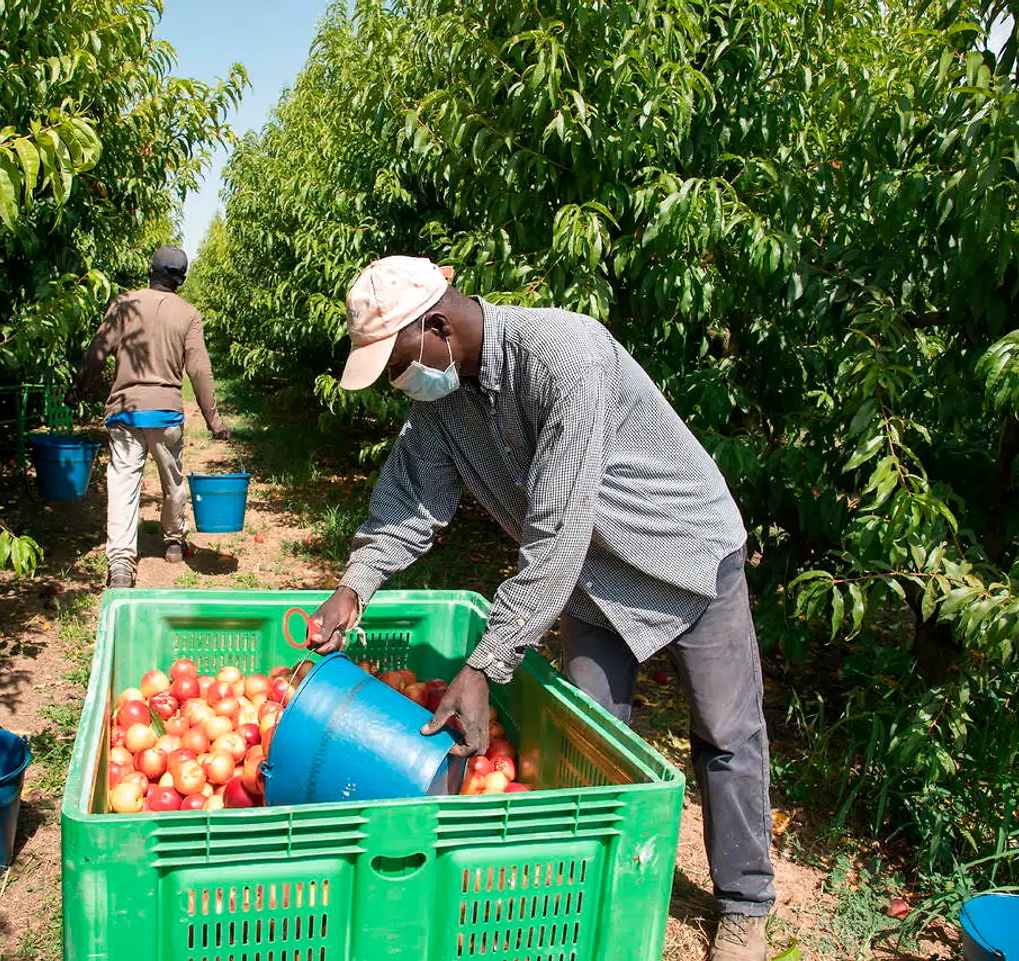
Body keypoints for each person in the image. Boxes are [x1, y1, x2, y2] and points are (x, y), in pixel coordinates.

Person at [306, 256, 775, 961]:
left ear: (437, 327)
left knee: (725, 732)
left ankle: (744, 903)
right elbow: (411, 500)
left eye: (398, 363)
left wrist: (485, 665)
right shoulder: (442, 403)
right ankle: (589, 891)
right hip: (588, 578)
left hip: (683, 552)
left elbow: (556, 531)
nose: (399, 382)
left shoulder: (565, 358)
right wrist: (355, 584)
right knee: (590, 738)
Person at [69, 245, 229, 588]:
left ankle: (121, 564)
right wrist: (214, 420)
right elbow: (199, 370)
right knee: (173, 482)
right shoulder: (188, 314)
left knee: (123, 484)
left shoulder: (123, 304)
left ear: (149, 271)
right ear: (181, 280)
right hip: (165, 414)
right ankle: (173, 542)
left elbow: (98, 352)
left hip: (125, 412)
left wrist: (78, 389)